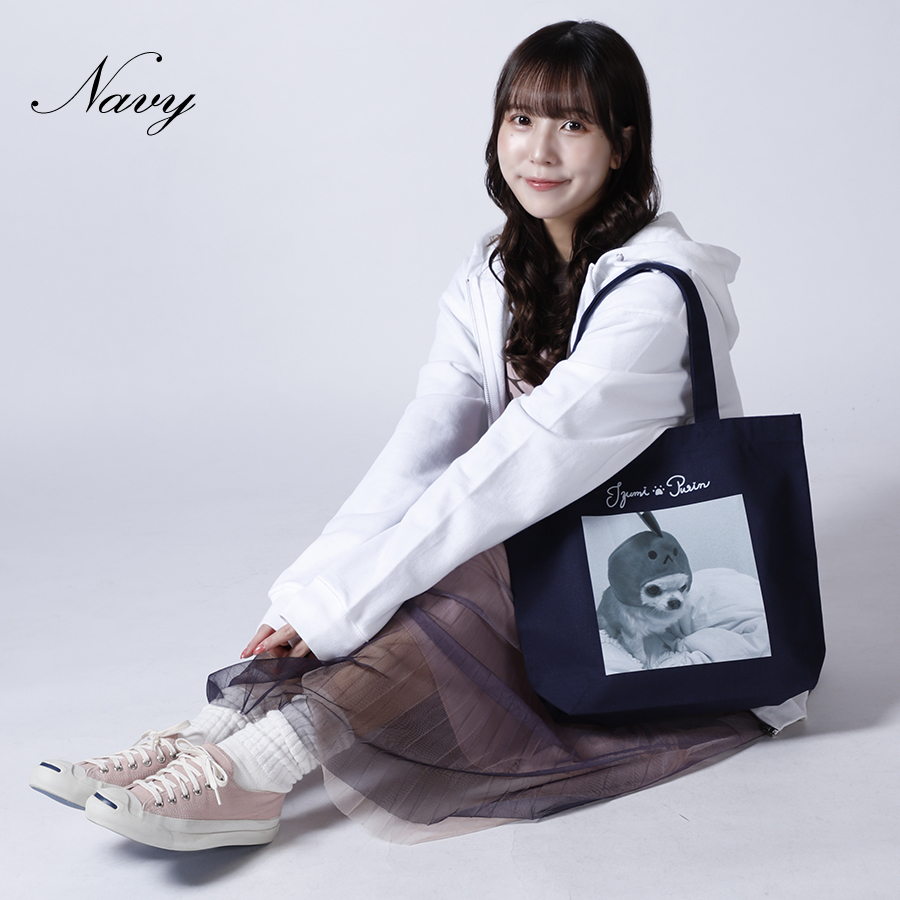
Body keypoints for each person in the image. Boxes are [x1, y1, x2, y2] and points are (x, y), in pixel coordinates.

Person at [29, 20, 805, 851]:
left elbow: (520, 462)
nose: (539, 149)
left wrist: (352, 600)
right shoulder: (494, 273)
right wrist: (311, 593)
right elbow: (424, 449)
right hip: (526, 537)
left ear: (621, 145)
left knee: (450, 573)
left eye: (573, 124)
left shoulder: (655, 294)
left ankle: (258, 770)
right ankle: (207, 734)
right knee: (391, 570)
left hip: (616, 579)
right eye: (520, 119)